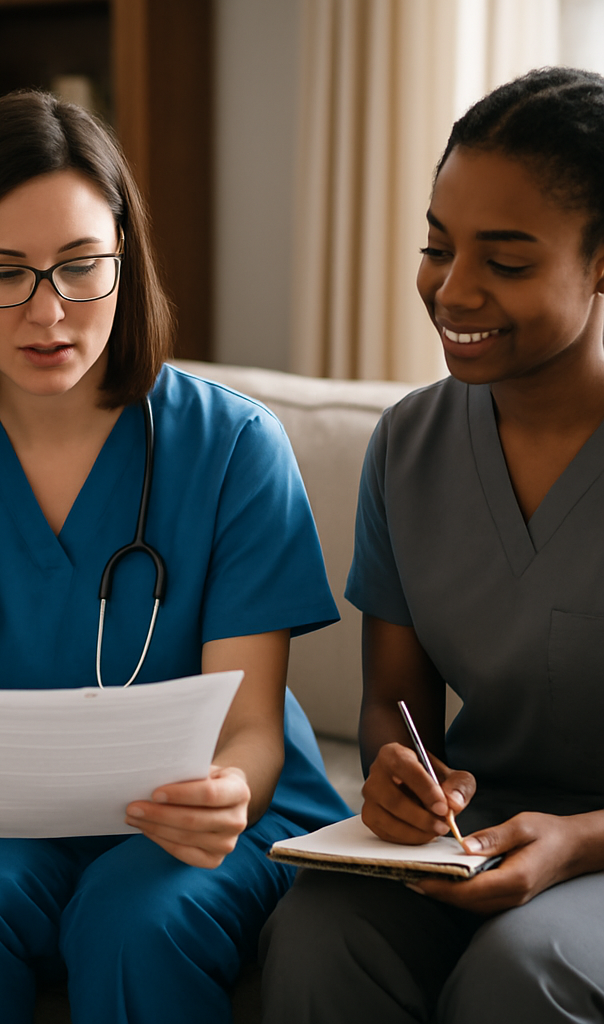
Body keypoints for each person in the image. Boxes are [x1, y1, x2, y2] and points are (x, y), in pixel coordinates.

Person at [0, 90, 350, 1024]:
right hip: (5, 827)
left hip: (208, 819)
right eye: (4, 273)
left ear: (125, 261)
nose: (50, 313)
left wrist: (227, 794)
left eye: (82, 267)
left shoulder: (235, 449)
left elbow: (248, 732)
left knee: (136, 918)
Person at [258, 67, 604, 1023]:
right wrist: (399, 779)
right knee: (320, 934)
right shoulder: (408, 444)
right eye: (436, 247)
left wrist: (578, 842)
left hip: (596, 854)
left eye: (508, 260)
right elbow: (394, 701)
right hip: (481, 835)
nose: (453, 289)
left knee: (523, 971)